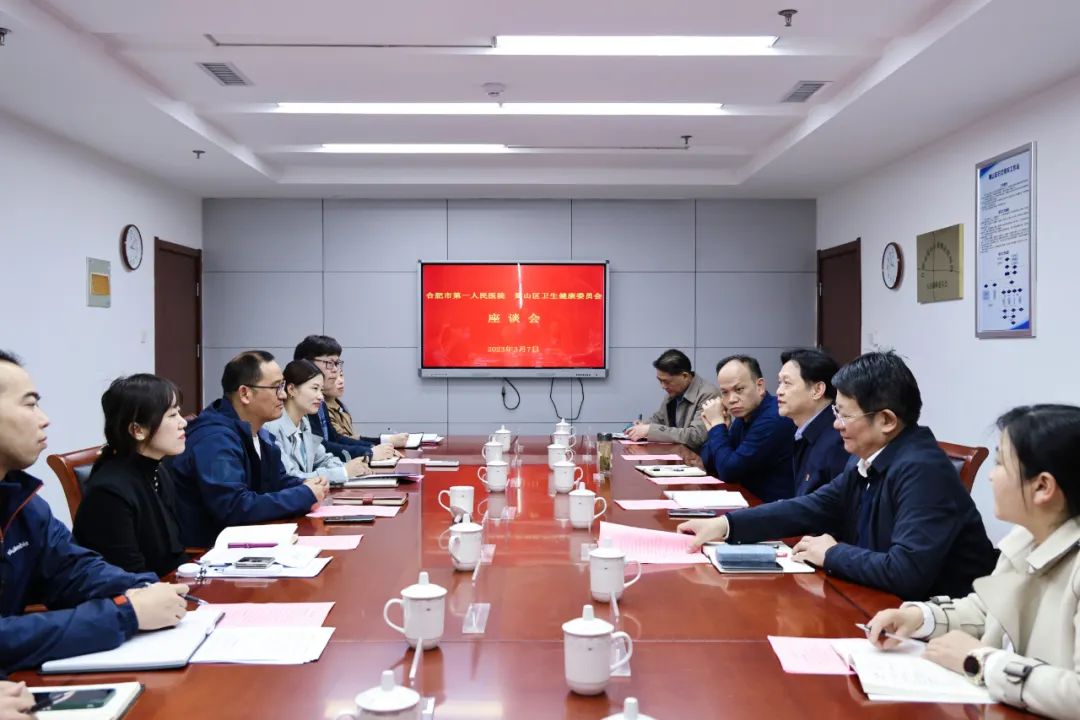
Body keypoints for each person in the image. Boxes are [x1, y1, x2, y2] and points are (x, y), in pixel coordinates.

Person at [679, 351, 997, 600]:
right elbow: (811, 506)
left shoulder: (923, 470)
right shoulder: (868, 457)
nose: (836, 425)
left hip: (935, 624)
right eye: (836, 413)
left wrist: (832, 553)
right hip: (879, 602)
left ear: (886, 420)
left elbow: (906, 571)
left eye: (845, 415)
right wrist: (726, 525)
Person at [866, 405, 1080, 718]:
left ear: (1042, 486)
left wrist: (981, 661)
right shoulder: (1027, 537)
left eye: (1000, 464)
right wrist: (920, 617)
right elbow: (989, 611)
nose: (991, 476)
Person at [0, 350, 188, 673]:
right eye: (30, 405)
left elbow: (74, 569)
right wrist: (126, 612)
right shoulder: (111, 487)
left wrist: (143, 588)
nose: (44, 419)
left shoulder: (24, 503)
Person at [168, 351, 329, 548]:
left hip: (248, 542)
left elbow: (275, 480)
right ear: (245, 393)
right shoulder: (215, 439)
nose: (283, 395)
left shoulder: (257, 432)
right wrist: (303, 494)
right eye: (276, 387)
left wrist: (306, 485)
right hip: (208, 552)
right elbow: (234, 506)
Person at [73, 374, 189, 576]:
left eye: (179, 412)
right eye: (172, 415)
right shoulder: (110, 493)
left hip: (169, 584)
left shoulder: (158, 470)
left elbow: (173, 551)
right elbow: (128, 575)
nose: (183, 422)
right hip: (138, 591)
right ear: (137, 430)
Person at [698, 355, 795, 502]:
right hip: (748, 501)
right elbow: (708, 462)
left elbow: (728, 471)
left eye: (739, 389)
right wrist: (717, 428)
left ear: (760, 386)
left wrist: (717, 424)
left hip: (772, 507)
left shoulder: (774, 418)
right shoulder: (744, 415)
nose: (732, 399)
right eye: (725, 392)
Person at [292, 336, 401, 461]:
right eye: (329, 363)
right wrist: (369, 452)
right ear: (306, 364)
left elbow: (334, 438)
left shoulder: (320, 400)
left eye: (337, 363)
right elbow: (320, 447)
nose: (335, 370)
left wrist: (372, 448)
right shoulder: (303, 403)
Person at [264, 360, 370, 482]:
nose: (321, 397)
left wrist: (352, 467)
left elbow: (323, 459)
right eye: (315, 388)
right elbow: (291, 477)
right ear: (292, 389)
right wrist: (344, 472)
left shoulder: (304, 423)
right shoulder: (272, 428)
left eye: (321, 390)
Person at [776, 349, 851, 496]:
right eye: (780, 383)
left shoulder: (837, 440)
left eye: (787, 383)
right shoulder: (804, 431)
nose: (779, 391)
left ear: (817, 390)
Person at [625, 349, 718, 451]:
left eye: (666, 381)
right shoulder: (674, 392)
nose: (663, 386)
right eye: (660, 381)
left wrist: (649, 430)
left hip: (697, 458)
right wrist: (642, 426)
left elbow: (696, 436)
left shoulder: (708, 395)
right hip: (676, 454)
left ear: (685, 376)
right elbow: (659, 419)